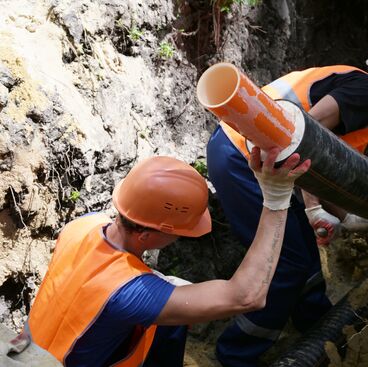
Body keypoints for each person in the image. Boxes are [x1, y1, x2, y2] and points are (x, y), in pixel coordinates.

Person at [206, 45, 368, 366]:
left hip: (243, 151)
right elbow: (303, 138)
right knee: (286, 261)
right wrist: (314, 210)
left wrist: (349, 216)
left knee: (303, 248)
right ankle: (235, 355)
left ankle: (316, 321)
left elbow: (320, 166)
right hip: (246, 160)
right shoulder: (367, 93)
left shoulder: (353, 84)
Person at [23, 147, 310, 367]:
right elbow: (246, 296)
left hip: (30, 353)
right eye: (182, 232)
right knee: (172, 300)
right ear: (146, 236)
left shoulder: (82, 225)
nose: (184, 236)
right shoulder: (130, 295)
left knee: (173, 295)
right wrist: (276, 198)